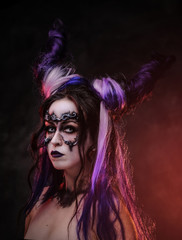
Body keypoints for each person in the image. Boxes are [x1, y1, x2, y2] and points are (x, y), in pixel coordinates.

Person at [23, 19, 175, 240]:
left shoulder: (107, 213)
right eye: (49, 128)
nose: (54, 140)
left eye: (68, 128)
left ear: (94, 137)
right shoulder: (39, 204)